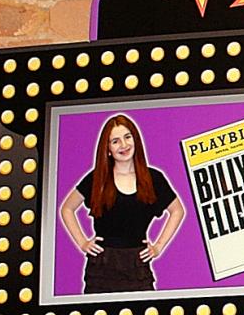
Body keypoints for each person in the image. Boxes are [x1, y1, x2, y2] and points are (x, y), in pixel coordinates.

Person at [58, 114, 184, 293]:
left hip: (137, 266)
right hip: (101, 267)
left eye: (127, 137)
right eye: (115, 141)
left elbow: (177, 210)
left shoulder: (154, 178)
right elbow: (67, 208)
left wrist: (158, 246)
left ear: (136, 139)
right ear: (108, 148)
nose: (124, 145)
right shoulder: (97, 178)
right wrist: (82, 243)